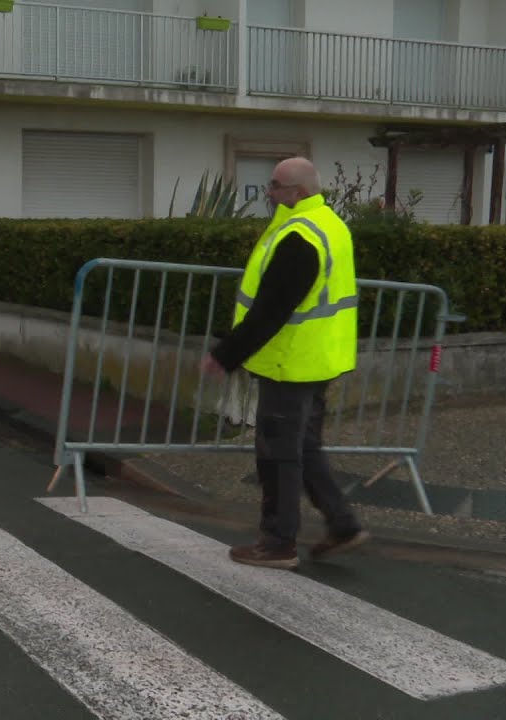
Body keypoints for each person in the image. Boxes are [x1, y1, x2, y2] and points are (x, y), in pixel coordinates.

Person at [200, 157, 370, 570]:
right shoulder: (329, 223)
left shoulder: (299, 236)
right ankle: (343, 525)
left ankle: (278, 543)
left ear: (299, 192)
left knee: (277, 455)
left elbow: (272, 310)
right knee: (304, 448)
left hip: (288, 364)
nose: (269, 192)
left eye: (276, 186)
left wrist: (226, 354)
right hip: (318, 361)